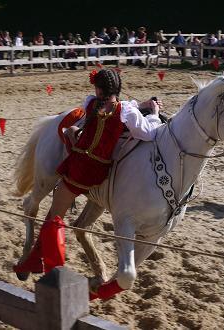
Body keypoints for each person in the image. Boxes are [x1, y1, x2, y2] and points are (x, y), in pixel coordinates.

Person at [14, 69, 163, 272]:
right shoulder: (125, 111)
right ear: (118, 88)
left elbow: (104, 106)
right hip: (98, 174)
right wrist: (153, 113)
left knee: (53, 219)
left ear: (98, 89)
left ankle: (37, 261)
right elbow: (148, 132)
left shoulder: (90, 103)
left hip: (76, 172)